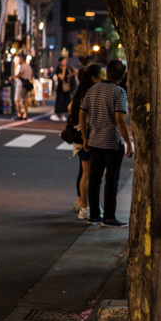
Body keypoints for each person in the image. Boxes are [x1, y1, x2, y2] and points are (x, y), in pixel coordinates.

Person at [79, 59, 133, 227]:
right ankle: (109, 217)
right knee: (111, 180)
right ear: (123, 75)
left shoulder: (93, 90)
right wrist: (128, 143)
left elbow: (81, 114)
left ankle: (94, 215)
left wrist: (85, 137)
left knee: (95, 179)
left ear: (107, 72)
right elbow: (120, 120)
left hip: (95, 141)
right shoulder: (119, 92)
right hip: (112, 142)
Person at [70, 65, 103, 219]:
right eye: (102, 74)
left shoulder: (82, 92)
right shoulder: (90, 94)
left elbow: (71, 108)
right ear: (93, 78)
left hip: (83, 136)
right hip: (87, 137)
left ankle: (85, 205)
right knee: (88, 174)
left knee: (86, 173)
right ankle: (85, 207)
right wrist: (86, 136)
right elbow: (81, 114)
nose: (105, 77)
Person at [52, 57, 74, 122]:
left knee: (66, 101)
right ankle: (55, 114)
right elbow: (61, 77)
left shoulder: (68, 68)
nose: (65, 62)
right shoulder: (59, 68)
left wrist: (69, 74)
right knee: (60, 101)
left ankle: (63, 115)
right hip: (61, 88)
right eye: (64, 61)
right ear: (60, 62)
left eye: (65, 61)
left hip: (66, 88)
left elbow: (69, 76)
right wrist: (64, 69)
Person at [12, 55, 33, 120]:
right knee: (25, 100)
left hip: (21, 85)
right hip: (27, 85)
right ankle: (25, 115)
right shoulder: (29, 67)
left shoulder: (22, 66)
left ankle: (19, 114)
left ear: (22, 59)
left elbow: (19, 75)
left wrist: (13, 77)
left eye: (20, 58)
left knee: (17, 100)